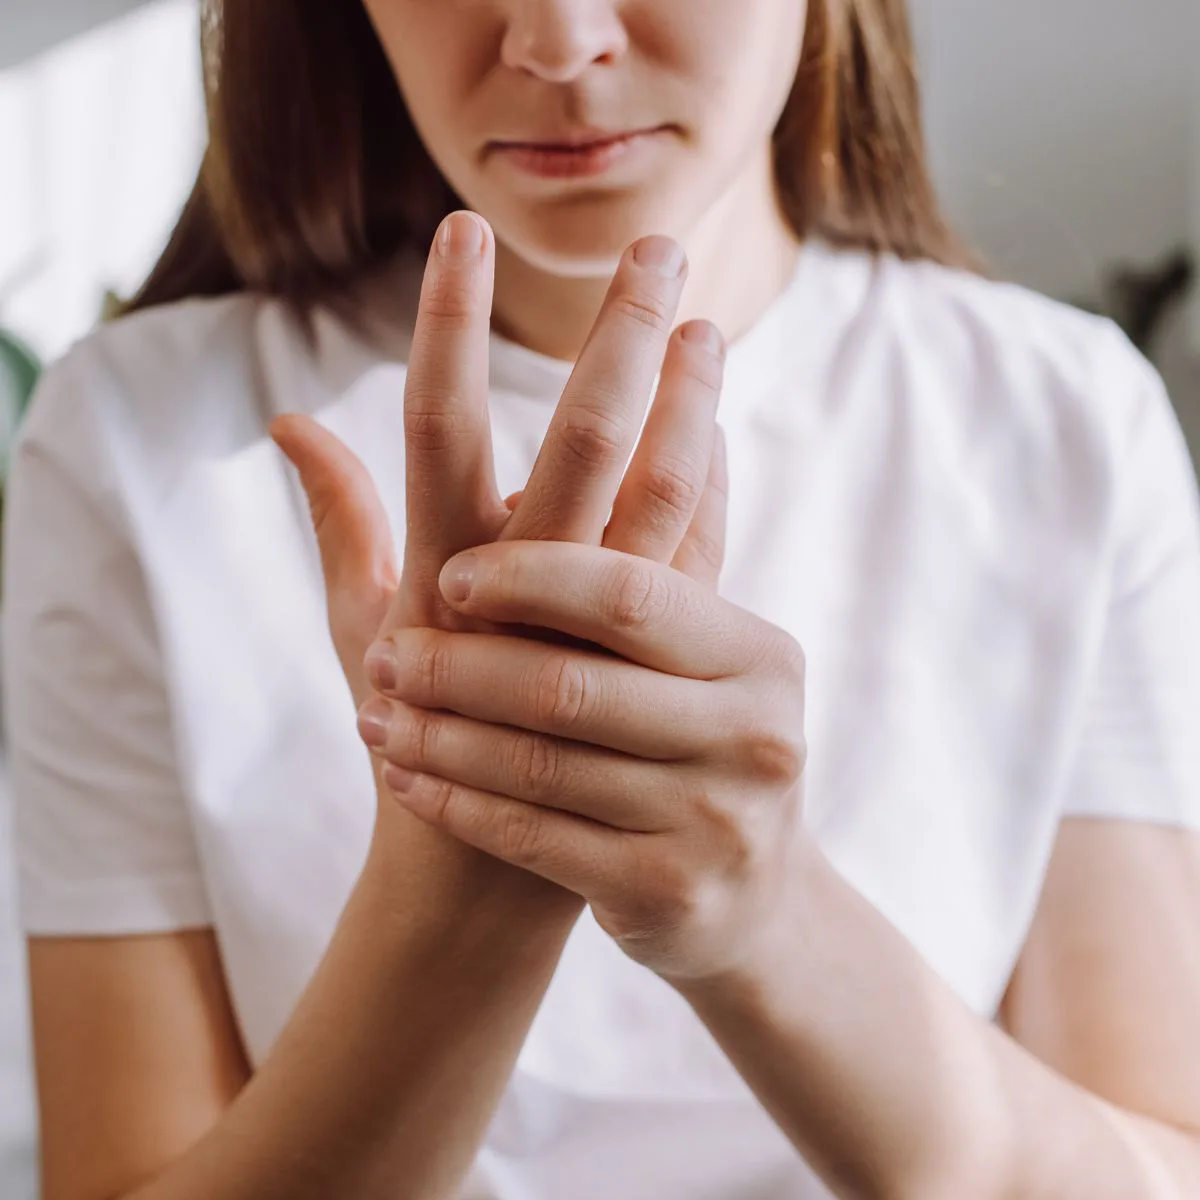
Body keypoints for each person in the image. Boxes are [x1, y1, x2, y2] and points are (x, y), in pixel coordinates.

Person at [4, 0, 1200, 1196]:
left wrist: (761, 913)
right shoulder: (137, 438)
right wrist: (456, 902)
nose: (557, 42)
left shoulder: (1066, 422)